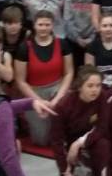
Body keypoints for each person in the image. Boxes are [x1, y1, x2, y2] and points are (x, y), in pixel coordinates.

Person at [51, 65, 111, 176]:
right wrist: (65, 170)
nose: (95, 90)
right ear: (79, 86)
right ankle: (84, 172)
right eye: (90, 86)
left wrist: (80, 143)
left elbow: (102, 127)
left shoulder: (102, 96)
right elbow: (56, 141)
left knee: (104, 145)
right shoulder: (63, 106)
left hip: (91, 139)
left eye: (98, 85)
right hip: (70, 146)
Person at [14, 10, 74, 147]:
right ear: (34, 26)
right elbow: (20, 81)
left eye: (47, 25)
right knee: (42, 141)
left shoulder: (63, 44)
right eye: (40, 24)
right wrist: (38, 101)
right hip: (34, 92)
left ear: (52, 26)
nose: (44, 28)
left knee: (61, 131)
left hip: (58, 88)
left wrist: (58, 98)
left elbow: (69, 73)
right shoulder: (24, 48)